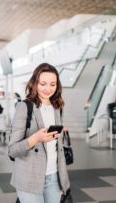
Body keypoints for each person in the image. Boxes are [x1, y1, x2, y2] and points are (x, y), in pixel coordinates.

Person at [8, 63, 70, 203]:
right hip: (29, 177)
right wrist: (36, 138)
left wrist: (63, 181)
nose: (48, 88)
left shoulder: (57, 107)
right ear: (35, 83)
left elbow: (57, 150)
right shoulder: (24, 107)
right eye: (43, 83)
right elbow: (12, 151)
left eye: (52, 84)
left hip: (55, 178)